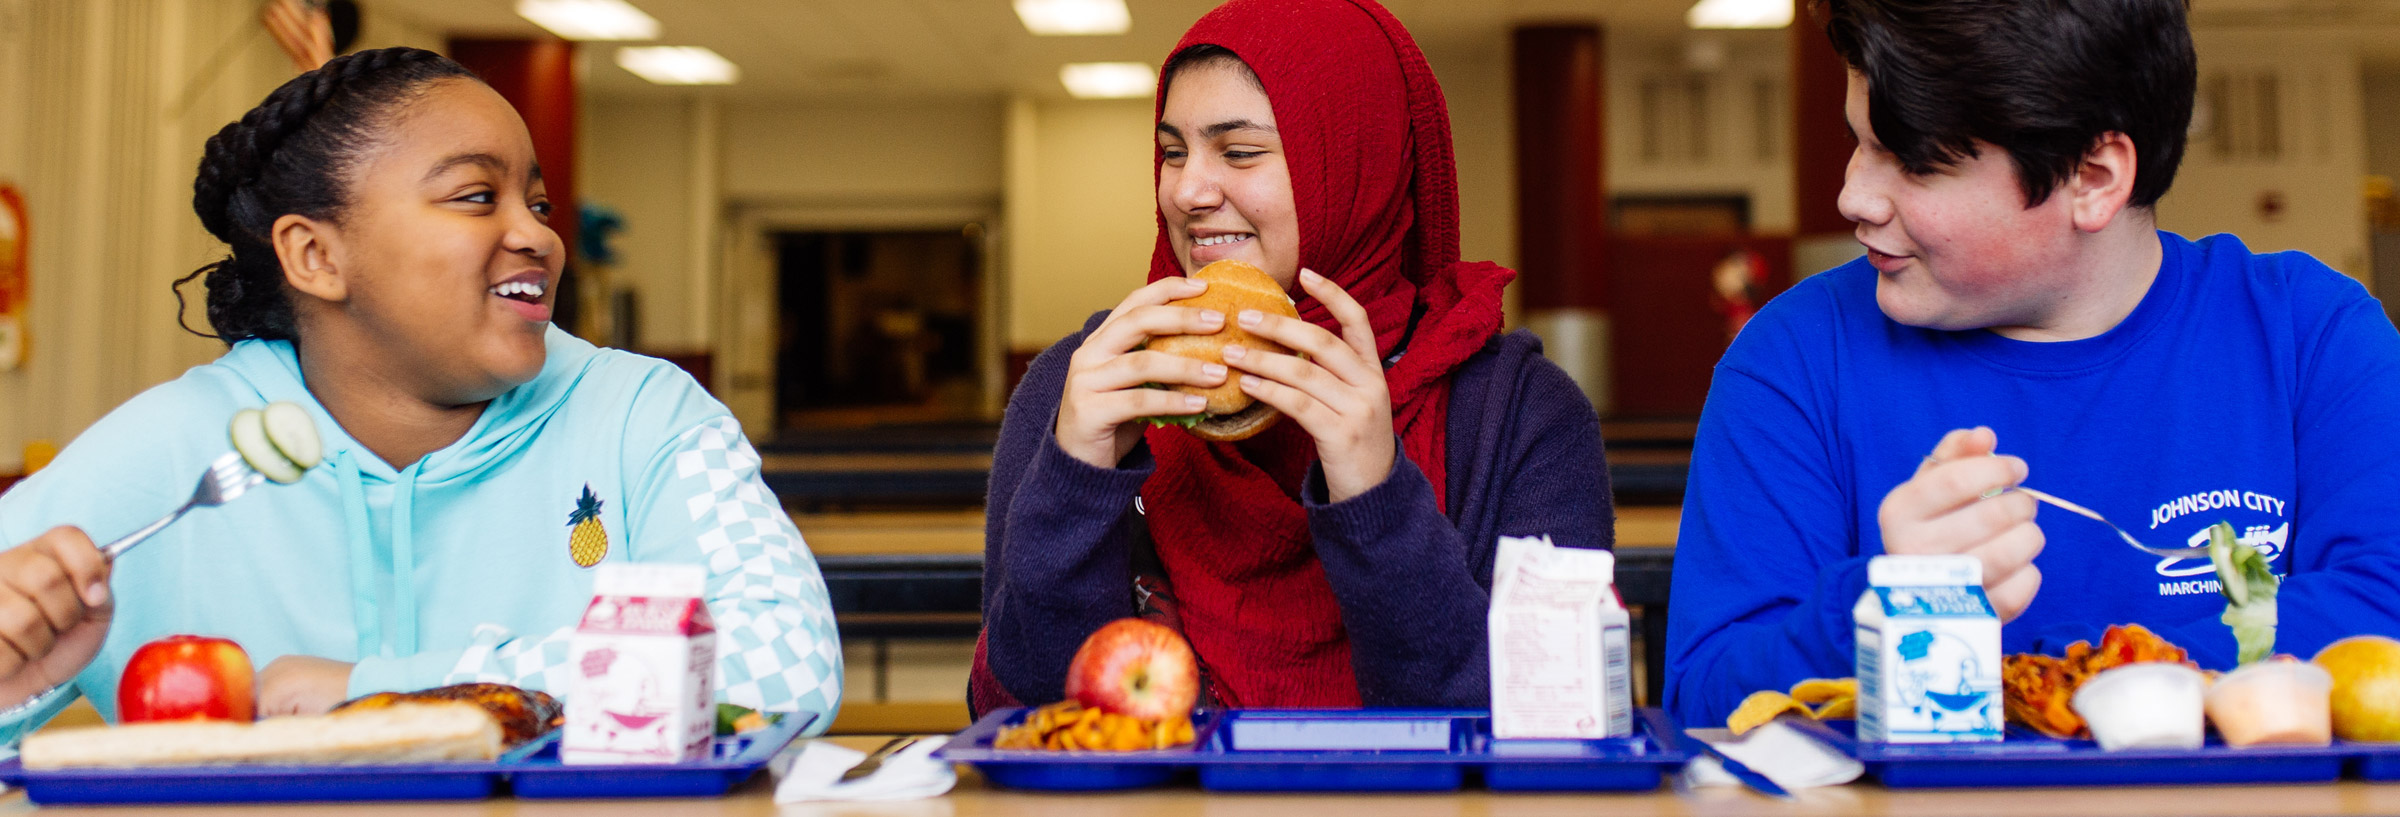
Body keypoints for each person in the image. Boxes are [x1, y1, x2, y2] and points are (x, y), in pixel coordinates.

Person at [0, 47, 841, 742]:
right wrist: (14, 684)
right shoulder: (173, 452)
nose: (538, 235)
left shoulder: (641, 415)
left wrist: (380, 691)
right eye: (477, 196)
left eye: (537, 201)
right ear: (316, 256)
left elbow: (788, 668)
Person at [1666, 0, 2400, 727]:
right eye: (1858, 141)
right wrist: (1879, 605)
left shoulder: (2309, 334)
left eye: (1912, 162)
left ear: (2094, 178)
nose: (1853, 196)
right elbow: (1708, 696)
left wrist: (2063, 680)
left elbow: (2383, 605)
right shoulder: (1793, 359)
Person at [972, 0, 1611, 714]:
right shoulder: (1087, 384)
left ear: (1359, 166)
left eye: (1239, 151)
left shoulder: (1520, 414)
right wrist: (1074, 483)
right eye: (1173, 152)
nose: (1185, 191)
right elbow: (1012, 718)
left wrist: (1376, 498)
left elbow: (1556, 722)